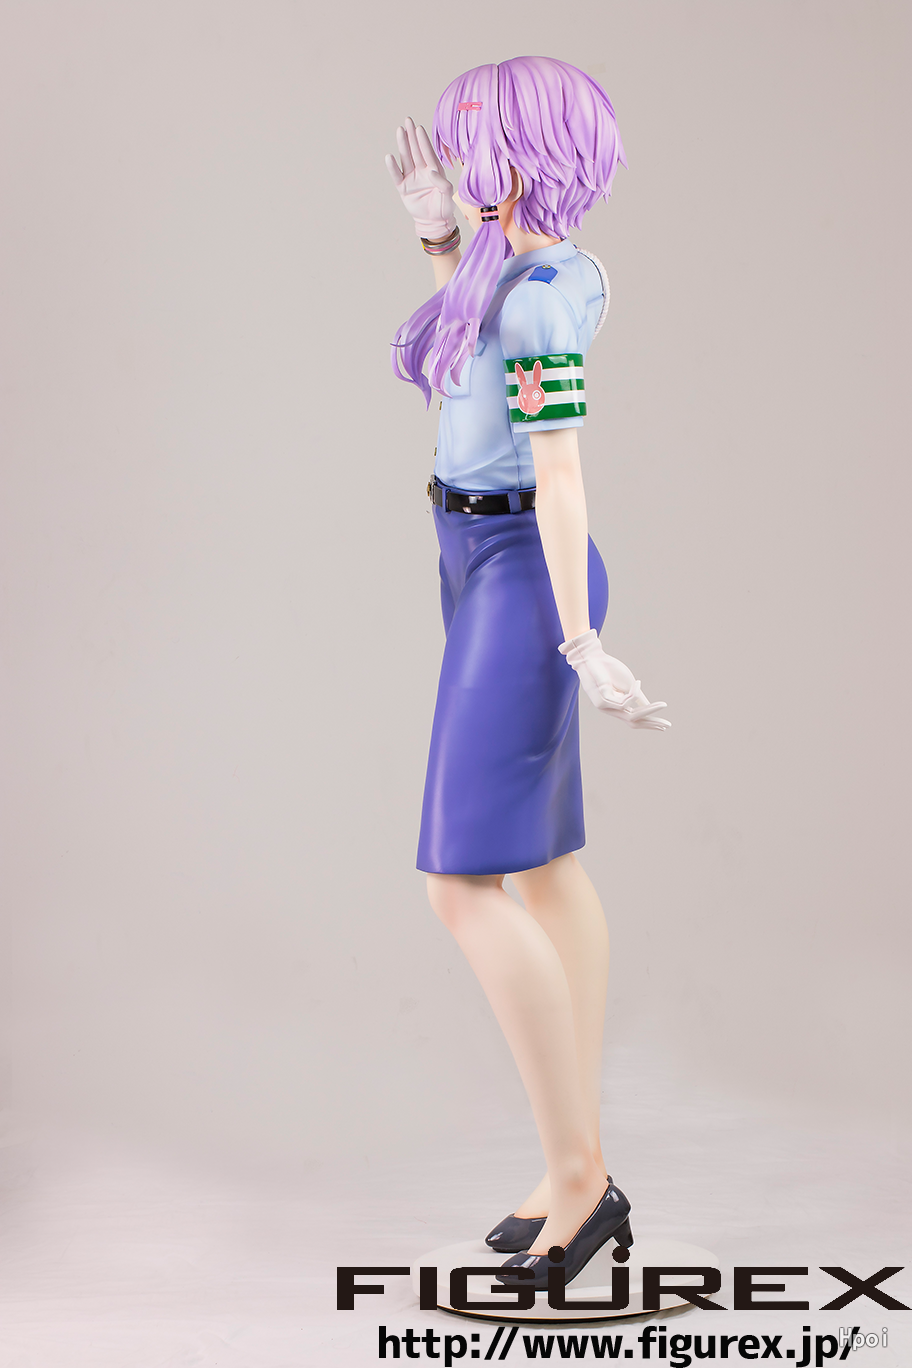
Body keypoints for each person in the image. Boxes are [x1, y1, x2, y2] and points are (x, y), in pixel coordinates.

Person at [386, 56, 670, 1292]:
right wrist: (441, 241)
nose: (458, 162)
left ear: (530, 150)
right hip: (469, 549)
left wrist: (579, 639)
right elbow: (473, 363)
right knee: (545, 866)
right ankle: (574, 1168)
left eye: (475, 145)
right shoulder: (510, 268)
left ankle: (580, 1180)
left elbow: (558, 474)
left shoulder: (551, 292)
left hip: (520, 569)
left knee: (461, 882)